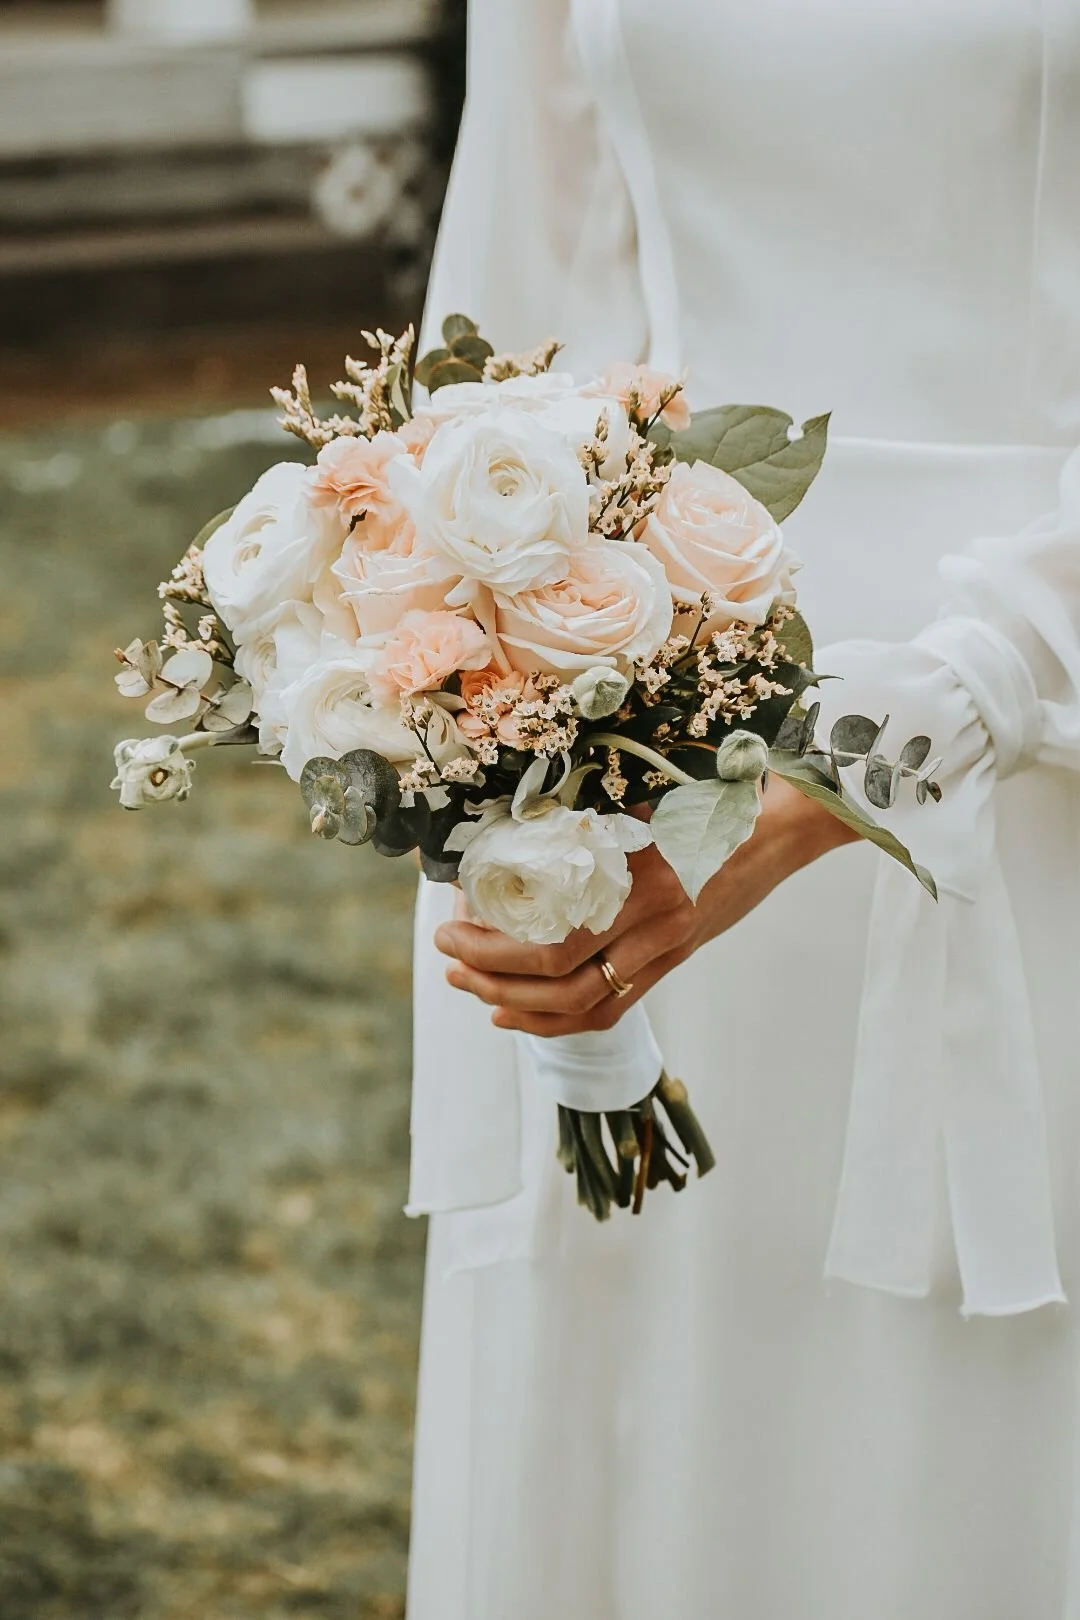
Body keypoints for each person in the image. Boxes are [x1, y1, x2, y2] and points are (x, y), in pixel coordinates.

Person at [405, 3, 1080, 1615]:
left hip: (1034, 747)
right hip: (651, 724)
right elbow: (513, 324)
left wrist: (938, 705)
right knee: (666, 1373)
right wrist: (481, 733)